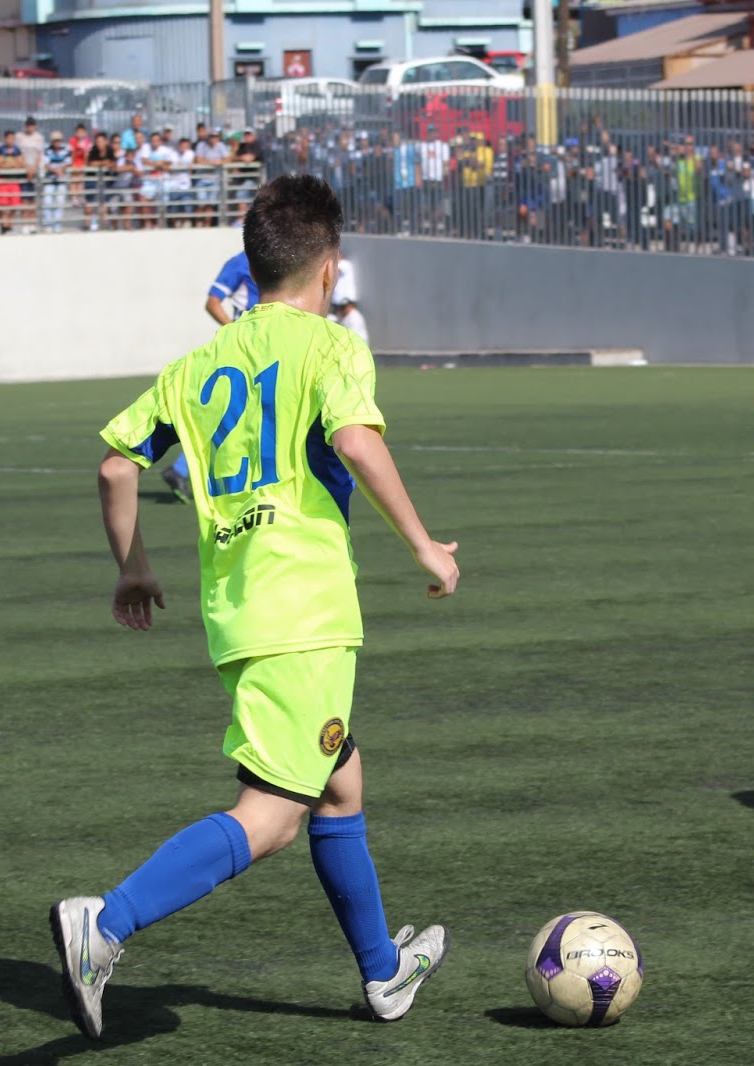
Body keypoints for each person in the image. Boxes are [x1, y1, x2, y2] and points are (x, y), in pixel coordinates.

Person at [51, 175, 458, 1041]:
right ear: (329, 267)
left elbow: (117, 466)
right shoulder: (332, 346)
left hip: (238, 611)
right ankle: (105, 924)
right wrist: (425, 544)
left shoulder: (197, 365)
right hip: (306, 608)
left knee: (339, 783)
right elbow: (355, 440)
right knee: (271, 817)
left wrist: (133, 568)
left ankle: (384, 970)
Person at [160, 249, 261, 503]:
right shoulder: (240, 263)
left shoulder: (275, 254)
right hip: (250, 349)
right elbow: (212, 302)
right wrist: (234, 331)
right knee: (243, 413)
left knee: (241, 414)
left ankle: (183, 470)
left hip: (266, 345)